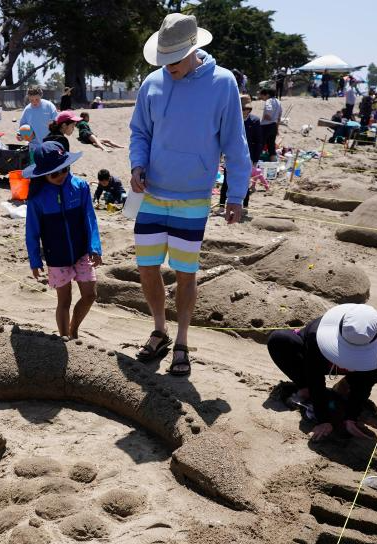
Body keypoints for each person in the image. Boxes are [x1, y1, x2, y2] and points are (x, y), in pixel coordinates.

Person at [129, 13, 251, 375]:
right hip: (149, 194)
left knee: (185, 272)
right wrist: (137, 165)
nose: (168, 66)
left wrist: (235, 195)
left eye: (175, 59)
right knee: (147, 268)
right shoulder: (151, 82)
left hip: (193, 198)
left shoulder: (223, 82)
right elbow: (140, 132)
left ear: (193, 49)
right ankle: (159, 330)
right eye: (163, 59)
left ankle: (182, 340)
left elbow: (235, 142)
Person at [266, 304, 377, 441]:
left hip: (350, 371)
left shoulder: (371, 339)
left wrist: (351, 417)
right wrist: (323, 420)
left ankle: (345, 386)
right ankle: (304, 388)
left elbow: (365, 380)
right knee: (279, 339)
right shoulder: (317, 335)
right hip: (314, 362)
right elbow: (314, 376)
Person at [24, 142, 101, 339]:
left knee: (90, 295)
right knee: (64, 301)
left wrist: (94, 247)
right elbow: (32, 231)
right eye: (54, 174)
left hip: (82, 252)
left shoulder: (80, 187)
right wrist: (35, 260)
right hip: (56, 257)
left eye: (64, 169)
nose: (60, 176)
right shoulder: (37, 198)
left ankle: (73, 330)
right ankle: (64, 338)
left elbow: (90, 218)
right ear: (43, 174)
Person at [219, 94, 261, 210]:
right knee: (226, 181)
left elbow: (258, 142)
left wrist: (255, 159)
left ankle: (245, 206)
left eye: (248, 109)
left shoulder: (255, 121)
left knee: (245, 182)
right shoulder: (230, 120)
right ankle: (222, 205)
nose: (246, 111)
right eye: (243, 109)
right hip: (231, 155)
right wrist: (220, 155)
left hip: (247, 157)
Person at [259, 88, 281, 159]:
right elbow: (279, 116)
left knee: (260, 144)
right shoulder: (278, 101)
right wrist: (277, 128)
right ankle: (273, 161)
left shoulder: (268, 101)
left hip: (266, 126)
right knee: (271, 146)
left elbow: (268, 112)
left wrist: (269, 118)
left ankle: (255, 162)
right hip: (274, 126)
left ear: (268, 94)